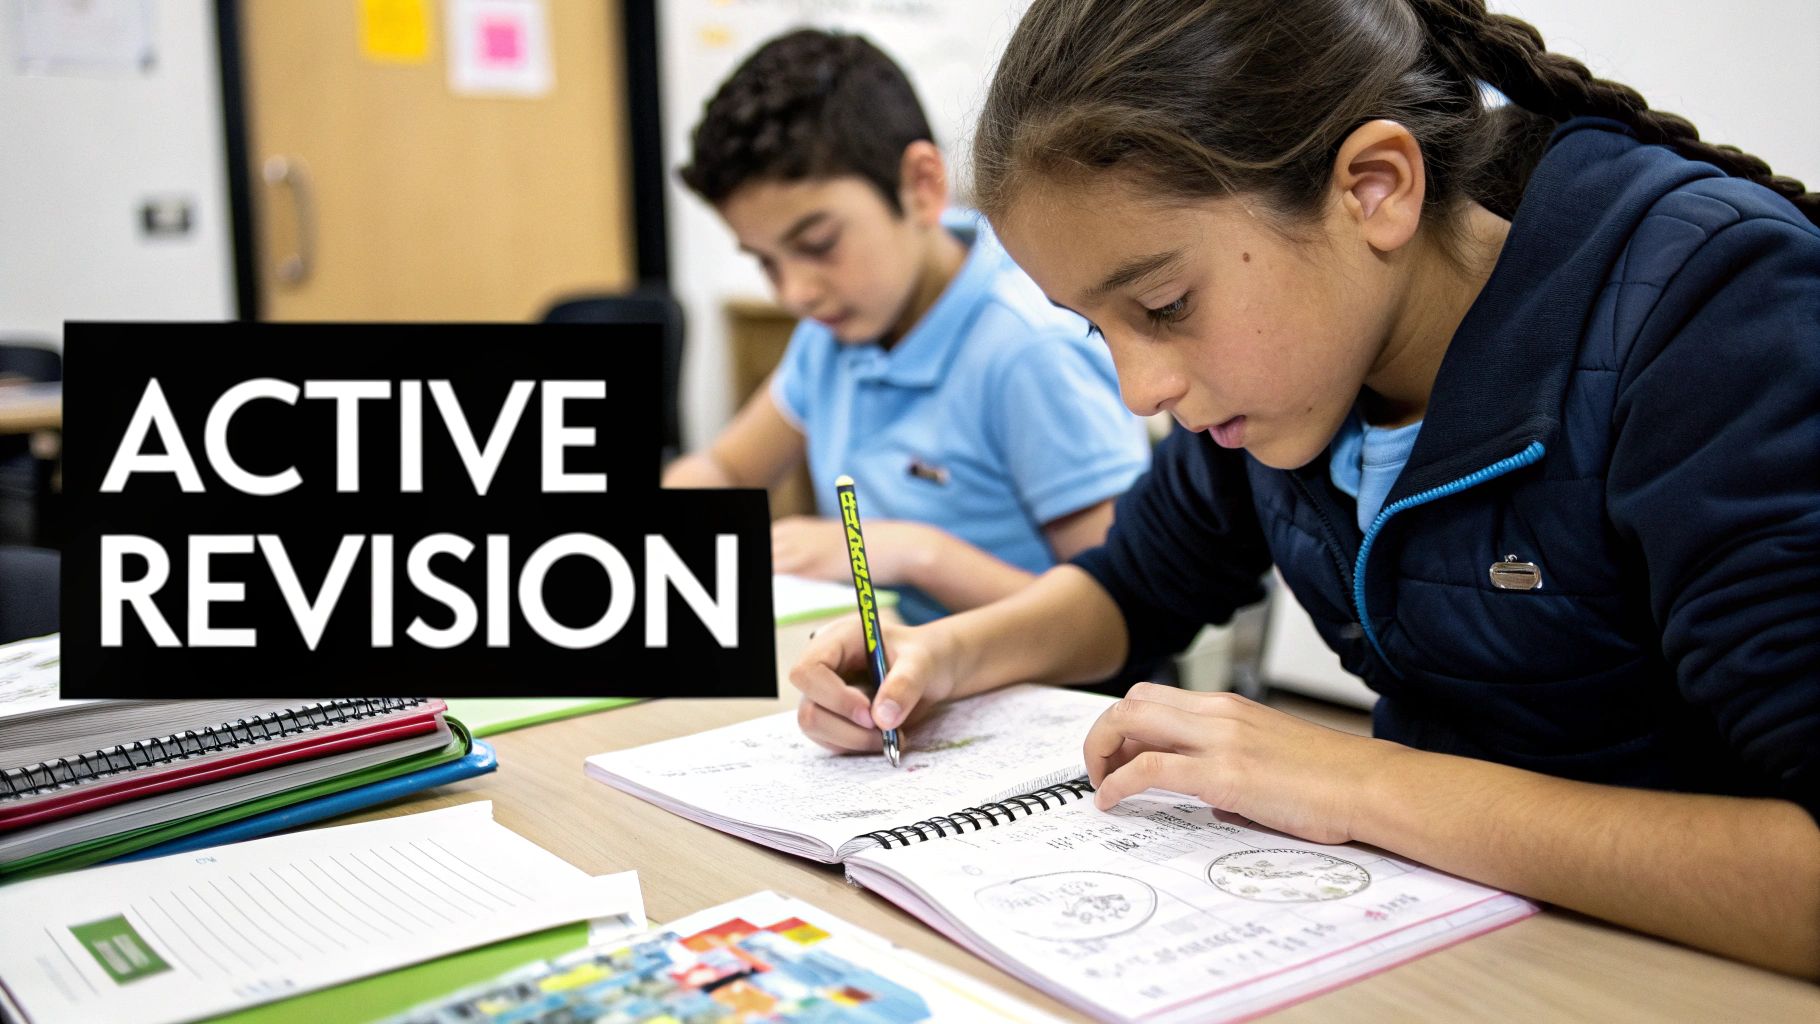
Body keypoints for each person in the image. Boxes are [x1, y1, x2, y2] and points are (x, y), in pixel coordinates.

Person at [790, 0, 1819, 976]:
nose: (1141, 387)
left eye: (1163, 303)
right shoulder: (1294, 370)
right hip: (1459, 939)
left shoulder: (1710, 318)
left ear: (1372, 189)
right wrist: (943, 655)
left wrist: (1356, 779)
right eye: (1094, 328)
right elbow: (1134, 586)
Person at [665, 29, 1150, 624]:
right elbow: (726, 469)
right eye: (766, 260)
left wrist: (911, 554)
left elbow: (1119, 613)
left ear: (921, 186)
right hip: (893, 679)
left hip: (1044, 699)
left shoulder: (1029, 347)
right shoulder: (834, 331)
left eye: (817, 243)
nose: (795, 292)